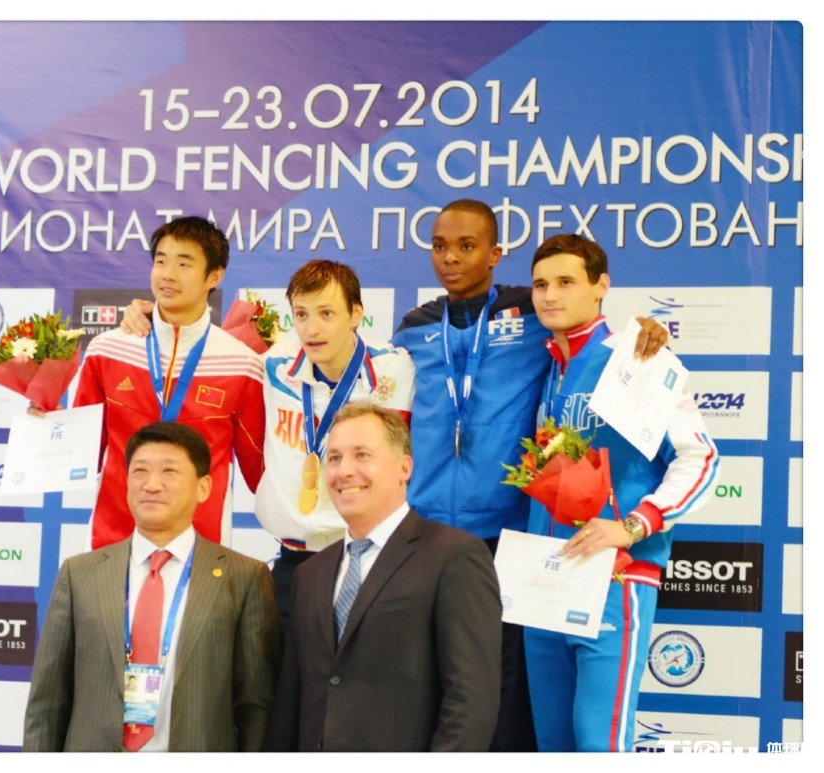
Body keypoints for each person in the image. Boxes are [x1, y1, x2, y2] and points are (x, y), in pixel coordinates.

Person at [391, 199, 668, 751]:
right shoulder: (415, 327)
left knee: (512, 699)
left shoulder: (531, 313)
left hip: (512, 540)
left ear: (495, 254)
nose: (451, 258)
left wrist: (647, 333)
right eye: (439, 246)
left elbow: (591, 333)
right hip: (428, 531)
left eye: (467, 246)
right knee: (428, 686)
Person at [121, 260, 415, 623]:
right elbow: (199, 351)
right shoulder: (273, 365)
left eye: (326, 313)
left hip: (370, 555)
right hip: (294, 562)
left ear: (356, 314)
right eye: (301, 314)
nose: (312, 329)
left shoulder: (399, 368)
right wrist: (152, 317)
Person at [523, 234, 719, 752]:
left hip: (613, 576)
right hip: (545, 579)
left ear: (601, 286)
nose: (550, 295)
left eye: (566, 282)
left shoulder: (638, 357)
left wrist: (634, 525)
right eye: (540, 284)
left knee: (599, 744)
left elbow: (700, 458)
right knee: (553, 745)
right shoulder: (547, 367)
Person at [23, 421, 281, 752]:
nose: (152, 485)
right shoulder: (79, 575)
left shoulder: (244, 578)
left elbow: (255, 705)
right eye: (140, 471)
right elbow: (47, 702)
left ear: (203, 487)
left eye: (169, 472)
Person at [264, 403, 501, 752]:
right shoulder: (310, 574)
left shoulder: (454, 557)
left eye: (362, 455)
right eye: (334, 458)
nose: (344, 471)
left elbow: (471, 704)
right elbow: (291, 703)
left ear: (404, 467)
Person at [72, 216, 265, 549]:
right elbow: (79, 451)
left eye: (184, 264)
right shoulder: (108, 350)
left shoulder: (242, 364)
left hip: (201, 545)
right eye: (161, 261)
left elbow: (260, 470)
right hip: (114, 538)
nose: (168, 274)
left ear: (214, 276)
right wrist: (45, 421)